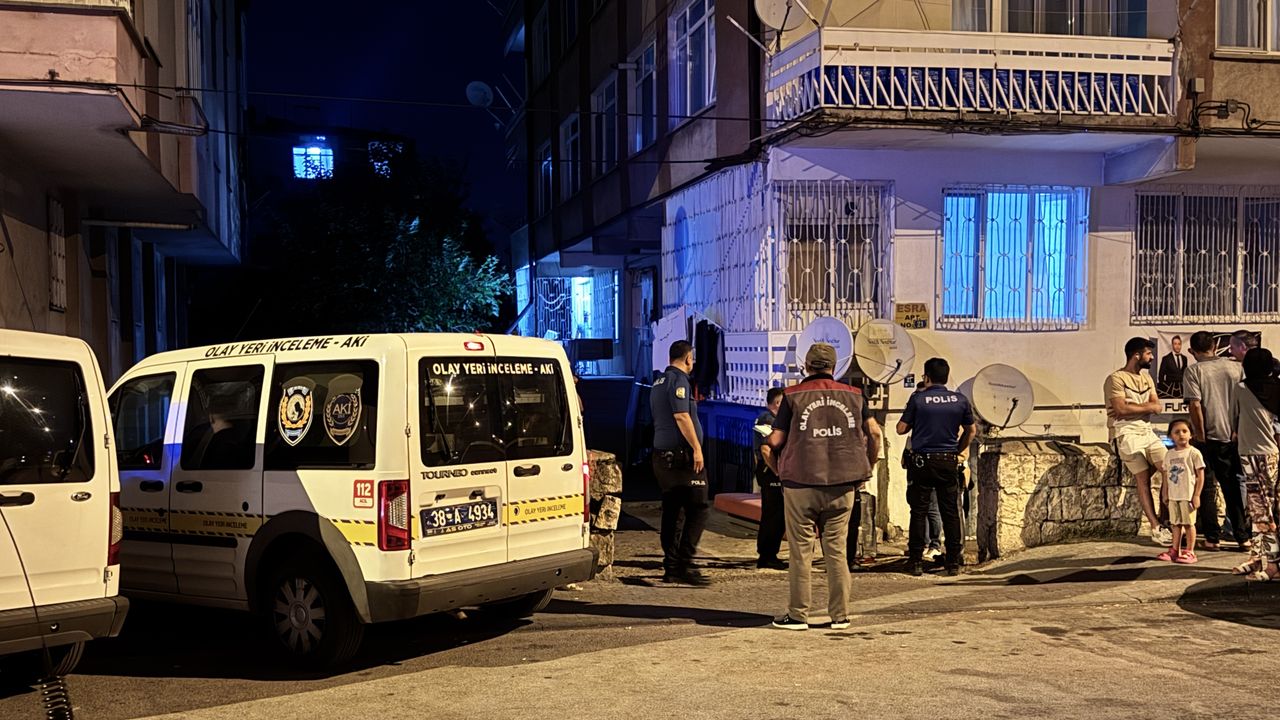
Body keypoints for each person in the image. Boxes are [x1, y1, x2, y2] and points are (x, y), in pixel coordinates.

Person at [767, 343, 881, 630]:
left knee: (800, 552)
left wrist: (775, 463)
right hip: (843, 484)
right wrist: (867, 466)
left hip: (800, 483)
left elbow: (776, 440)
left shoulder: (792, 395)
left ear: (807, 366)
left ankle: (798, 615)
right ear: (834, 367)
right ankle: (840, 616)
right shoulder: (855, 395)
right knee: (837, 551)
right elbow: (875, 433)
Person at [896, 357, 976, 577]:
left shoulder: (918, 399)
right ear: (946, 377)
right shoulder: (960, 400)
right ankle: (952, 562)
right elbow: (971, 431)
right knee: (950, 512)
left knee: (919, 511)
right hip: (948, 460)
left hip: (922, 462)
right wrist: (958, 450)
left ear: (927, 377)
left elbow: (901, 429)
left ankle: (915, 561)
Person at [650, 340, 710, 586]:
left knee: (673, 510)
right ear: (688, 358)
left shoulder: (659, 381)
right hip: (680, 457)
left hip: (662, 456)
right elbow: (682, 416)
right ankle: (684, 564)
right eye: (692, 358)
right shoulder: (679, 380)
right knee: (699, 507)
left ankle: (672, 567)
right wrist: (697, 449)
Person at [1185, 331, 1250, 550]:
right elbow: (1245, 400)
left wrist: (1200, 435)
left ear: (1192, 351)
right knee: (1233, 488)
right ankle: (1243, 537)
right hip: (1233, 436)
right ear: (1215, 346)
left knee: (1207, 488)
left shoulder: (1194, 371)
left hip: (1208, 436)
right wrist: (1237, 429)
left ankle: (1212, 538)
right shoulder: (1236, 368)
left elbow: (1195, 404)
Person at [1106, 337, 1172, 546]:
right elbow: (1120, 409)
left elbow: (1157, 406)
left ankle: (1165, 520)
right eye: (1148, 354)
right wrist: (1146, 408)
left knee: (1169, 467)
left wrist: (1136, 407)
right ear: (1136, 355)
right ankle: (1155, 526)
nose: (1151, 357)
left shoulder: (1147, 378)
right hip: (1126, 432)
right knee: (1142, 479)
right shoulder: (1116, 379)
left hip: (1147, 431)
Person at [1231, 347, 1280, 581]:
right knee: (1267, 508)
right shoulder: (1277, 388)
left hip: (1251, 454)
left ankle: (1272, 565)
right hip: (1273, 454)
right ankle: (1257, 556)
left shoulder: (1241, 389)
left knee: (1260, 511)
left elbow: (1233, 417)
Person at [1158, 419, 1204, 564]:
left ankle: (1190, 551)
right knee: (1175, 524)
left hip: (1187, 495)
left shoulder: (1194, 453)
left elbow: (1200, 476)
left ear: (1191, 434)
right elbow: (1166, 475)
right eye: (1176, 432)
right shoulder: (1169, 454)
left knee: (1189, 524)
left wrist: (1196, 495)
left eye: (1184, 431)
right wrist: (1165, 493)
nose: (1181, 435)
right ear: (1171, 436)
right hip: (1174, 495)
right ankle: (1174, 549)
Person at [755, 387, 786, 570]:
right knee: (773, 515)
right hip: (771, 473)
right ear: (776, 403)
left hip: (773, 472)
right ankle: (767, 555)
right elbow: (766, 450)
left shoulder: (774, 420)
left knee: (777, 514)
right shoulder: (767, 420)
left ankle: (769, 553)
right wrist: (778, 472)